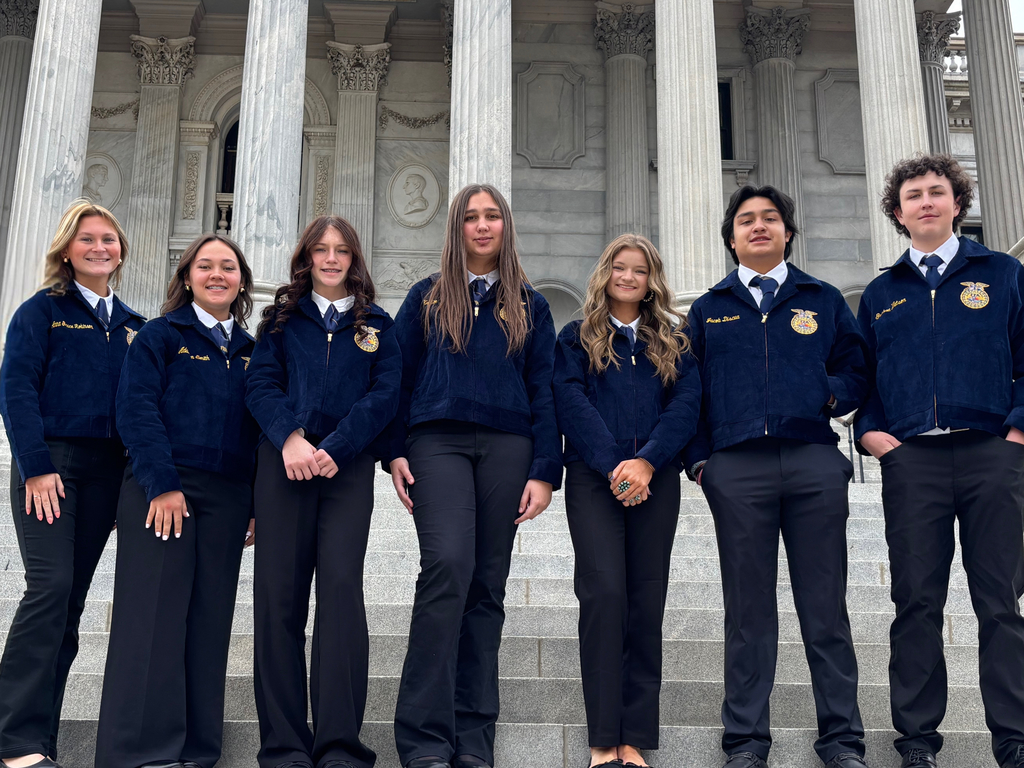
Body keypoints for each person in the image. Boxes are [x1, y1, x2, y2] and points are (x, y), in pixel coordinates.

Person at [682, 185, 870, 768]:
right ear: (731, 238)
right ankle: (745, 741)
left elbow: (856, 370)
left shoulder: (823, 298)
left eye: (770, 218)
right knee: (747, 613)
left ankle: (842, 740)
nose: (758, 226)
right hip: (737, 468)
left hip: (813, 460)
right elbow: (687, 390)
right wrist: (701, 462)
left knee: (826, 609)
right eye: (746, 220)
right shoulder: (708, 308)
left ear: (788, 232)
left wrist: (827, 393)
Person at [855, 154, 1024, 768]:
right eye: (913, 195)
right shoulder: (881, 293)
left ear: (957, 202)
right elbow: (864, 377)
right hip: (914, 461)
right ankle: (917, 741)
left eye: (936, 191)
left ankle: (1015, 738)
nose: (925, 201)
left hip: (990, 454)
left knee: (999, 602)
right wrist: (871, 434)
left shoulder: (1003, 273)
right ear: (898, 213)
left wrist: (1017, 433)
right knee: (916, 603)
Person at [388, 183, 562, 768]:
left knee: (487, 586)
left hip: (509, 446)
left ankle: (472, 741)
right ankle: (424, 740)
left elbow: (544, 389)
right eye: (471, 217)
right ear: (456, 227)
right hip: (436, 441)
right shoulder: (427, 297)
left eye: (492, 216)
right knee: (447, 567)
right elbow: (397, 378)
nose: (482, 226)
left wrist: (545, 470)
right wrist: (394, 452)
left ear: (505, 226)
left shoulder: (531, 305)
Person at [93, 234, 259, 768]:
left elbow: (261, 431)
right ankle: (137, 754)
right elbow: (136, 409)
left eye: (228, 267)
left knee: (209, 623)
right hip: (163, 489)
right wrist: (163, 484)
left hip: (228, 499)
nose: (217, 275)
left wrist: (256, 502)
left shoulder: (254, 351)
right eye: (205, 266)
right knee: (151, 618)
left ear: (241, 280)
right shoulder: (159, 335)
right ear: (187, 277)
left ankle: (195, 751)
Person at [245, 215, 401, 768]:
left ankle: (339, 746)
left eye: (341, 250)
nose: (331, 259)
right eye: (321, 249)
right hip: (283, 468)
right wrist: (289, 437)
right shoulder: (280, 321)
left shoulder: (378, 325)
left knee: (340, 596)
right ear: (306, 257)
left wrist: (340, 445)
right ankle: (284, 746)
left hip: (346, 471)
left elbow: (386, 394)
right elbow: (259, 383)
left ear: (354, 259)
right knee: (278, 603)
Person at [0, 200, 144, 768]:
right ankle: (12, 739)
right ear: (66, 249)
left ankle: (41, 743)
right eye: (87, 239)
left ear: (121, 251)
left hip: (107, 475)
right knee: (50, 588)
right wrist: (36, 467)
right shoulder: (41, 311)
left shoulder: (134, 326)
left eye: (108, 239)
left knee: (71, 605)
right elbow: (16, 390)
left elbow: (140, 410)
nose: (99, 247)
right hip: (51, 467)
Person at [553, 233, 701, 768]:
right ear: (605, 273)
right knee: (604, 596)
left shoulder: (674, 341)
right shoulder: (576, 338)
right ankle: (602, 740)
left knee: (645, 602)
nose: (628, 277)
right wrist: (615, 464)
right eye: (620, 267)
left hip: (654, 480)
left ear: (651, 280)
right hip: (595, 480)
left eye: (639, 270)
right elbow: (570, 401)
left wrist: (648, 461)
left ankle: (634, 738)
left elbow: (686, 405)